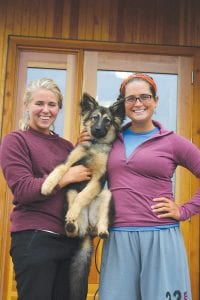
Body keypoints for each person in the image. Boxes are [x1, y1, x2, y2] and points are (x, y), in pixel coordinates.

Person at [96, 73, 200, 300]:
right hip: (119, 237)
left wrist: (184, 210)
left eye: (145, 97)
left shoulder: (172, 141)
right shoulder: (109, 140)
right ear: (122, 104)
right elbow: (90, 177)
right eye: (131, 99)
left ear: (156, 100)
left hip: (161, 236)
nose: (138, 103)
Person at [0, 78, 92, 300]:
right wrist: (65, 176)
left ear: (59, 109)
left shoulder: (66, 147)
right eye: (39, 103)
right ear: (26, 106)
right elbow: (22, 188)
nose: (45, 110)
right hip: (36, 238)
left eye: (52, 105)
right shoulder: (16, 141)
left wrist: (86, 151)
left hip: (71, 243)